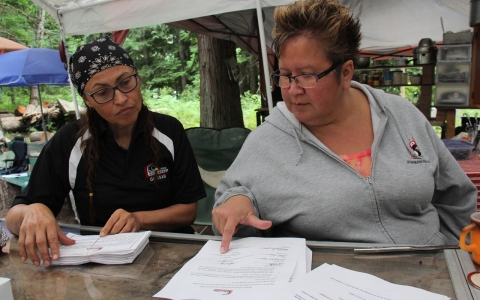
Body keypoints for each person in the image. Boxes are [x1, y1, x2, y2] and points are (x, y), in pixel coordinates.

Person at [212, 0, 477, 254]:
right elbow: (230, 202)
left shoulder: (401, 115)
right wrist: (236, 202)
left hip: (427, 274)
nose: (293, 90)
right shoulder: (268, 140)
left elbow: (456, 198)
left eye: (307, 75)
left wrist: (454, 259)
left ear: (346, 72)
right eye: (284, 75)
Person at [5, 36, 206, 266]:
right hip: (101, 261)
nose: (121, 99)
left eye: (125, 82)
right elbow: (13, 217)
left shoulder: (168, 131)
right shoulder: (70, 142)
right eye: (102, 93)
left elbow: (188, 210)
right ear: (87, 100)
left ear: (137, 79)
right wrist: (32, 211)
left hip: (173, 254)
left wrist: (138, 219)